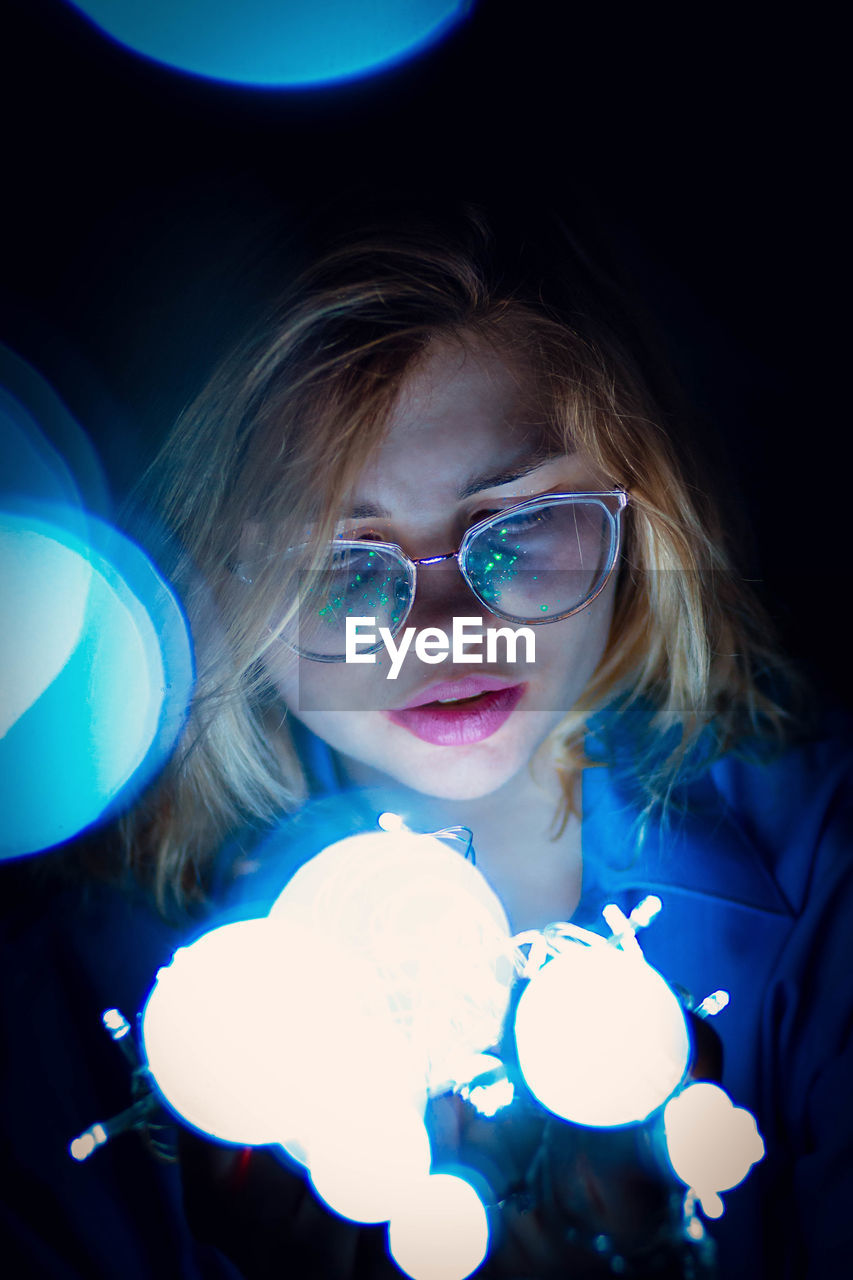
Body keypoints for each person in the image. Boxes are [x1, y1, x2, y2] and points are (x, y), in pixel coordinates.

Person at [2, 201, 851, 1279]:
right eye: (338, 565)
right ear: (213, 591)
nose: (443, 631)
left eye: (517, 526)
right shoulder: (75, 1020)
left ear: (639, 508)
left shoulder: (827, 874)